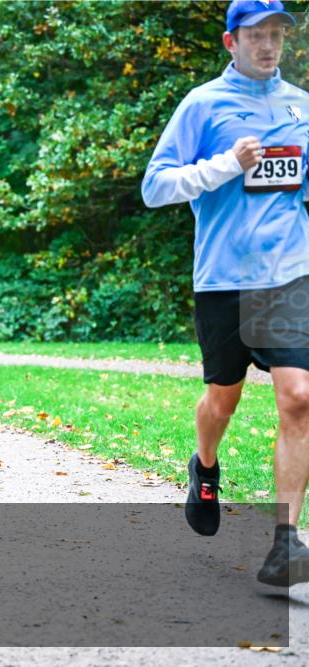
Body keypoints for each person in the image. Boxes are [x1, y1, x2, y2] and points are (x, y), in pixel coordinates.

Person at [142, 0, 309, 586]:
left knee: (299, 397)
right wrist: (223, 166)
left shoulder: (302, 107)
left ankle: (286, 542)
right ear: (230, 42)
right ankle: (205, 466)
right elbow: (155, 186)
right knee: (222, 401)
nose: (268, 45)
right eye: (256, 35)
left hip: (291, 275)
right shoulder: (202, 105)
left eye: (277, 35)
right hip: (223, 279)